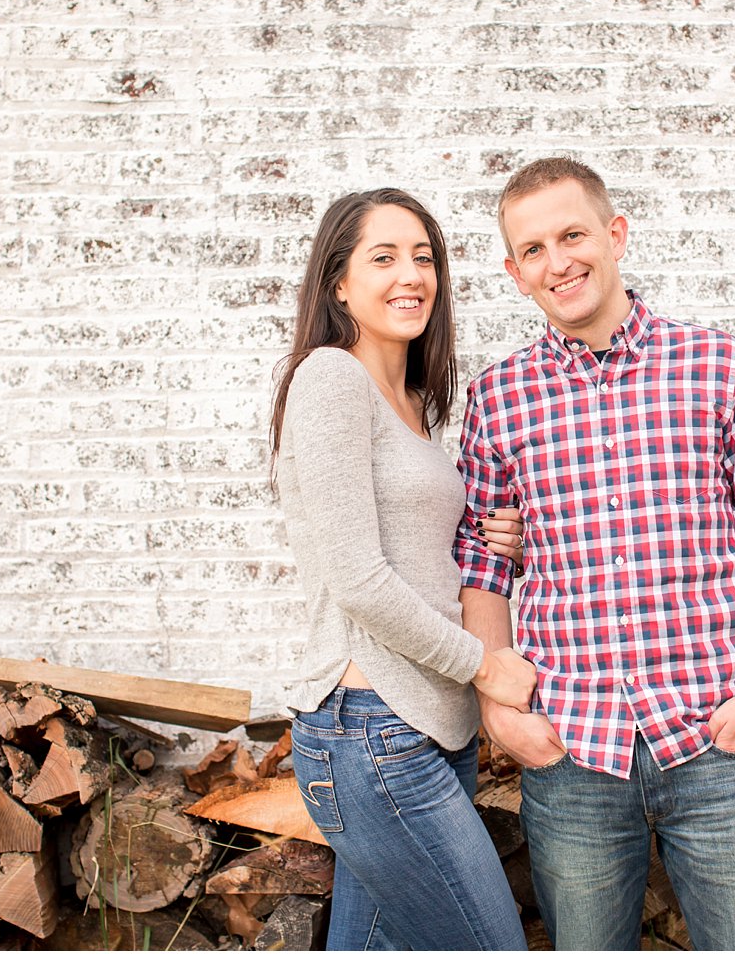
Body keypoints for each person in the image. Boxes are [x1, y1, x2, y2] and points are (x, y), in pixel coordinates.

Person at [454, 157, 735, 950]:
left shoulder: (719, 366)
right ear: (516, 274)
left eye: (573, 234)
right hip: (572, 753)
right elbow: (483, 562)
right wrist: (499, 708)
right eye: (533, 249)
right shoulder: (499, 397)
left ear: (615, 235)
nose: (559, 262)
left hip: (715, 740)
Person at [270, 188, 533, 950]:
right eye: (382, 257)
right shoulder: (330, 379)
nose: (410, 274)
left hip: (422, 728)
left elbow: (408, 545)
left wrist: (488, 534)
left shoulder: (414, 398)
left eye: (423, 257)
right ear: (338, 283)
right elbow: (357, 577)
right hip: (372, 735)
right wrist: (483, 666)